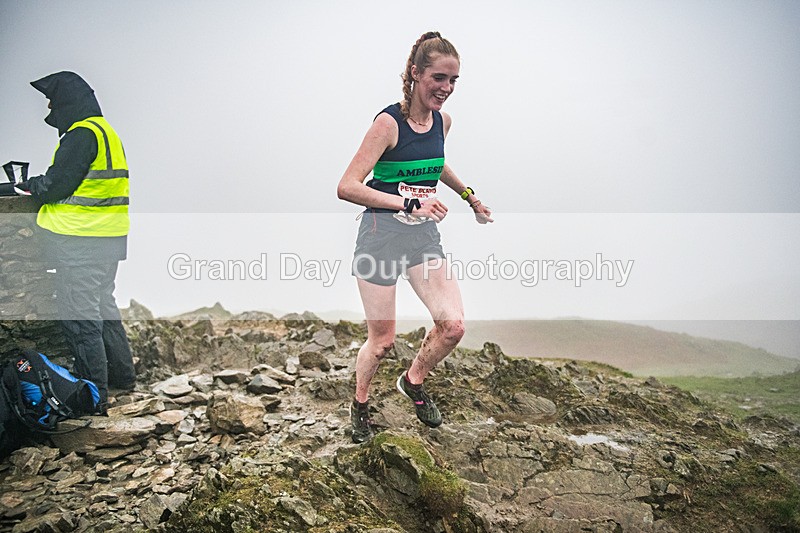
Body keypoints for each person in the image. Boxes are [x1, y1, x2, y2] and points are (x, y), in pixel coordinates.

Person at [337, 32, 493, 443]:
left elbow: (434, 163)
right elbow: (347, 186)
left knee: (453, 326)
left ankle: (413, 380)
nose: (446, 88)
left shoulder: (442, 122)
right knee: (382, 342)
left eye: (453, 80)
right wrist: (407, 203)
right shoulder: (388, 124)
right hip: (380, 235)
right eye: (439, 78)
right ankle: (360, 405)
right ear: (415, 73)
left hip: (421, 236)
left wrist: (470, 197)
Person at [18, 71, 136, 409]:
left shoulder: (81, 134)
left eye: (52, 101)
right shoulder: (106, 132)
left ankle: (93, 398)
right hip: (109, 237)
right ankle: (123, 379)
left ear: (67, 101)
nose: (50, 108)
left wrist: (31, 185)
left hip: (80, 241)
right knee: (104, 309)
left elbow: (56, 185)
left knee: (82, 319)